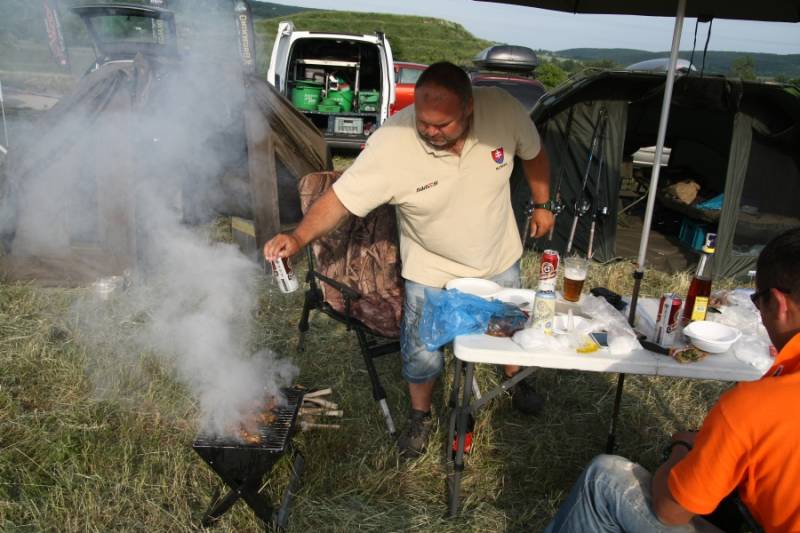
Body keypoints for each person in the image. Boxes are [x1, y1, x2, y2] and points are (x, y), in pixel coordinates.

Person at [263, 62, 554, 457]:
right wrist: (297, 237)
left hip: (498, 257)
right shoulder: (393, 143)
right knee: (421, 350)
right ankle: (420, 417)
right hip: (430, 268)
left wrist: (542, 204)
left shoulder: (502, 111)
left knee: (508, 330)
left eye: (442, 124)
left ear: (468, 107)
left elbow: (534, 154)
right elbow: (339, 200)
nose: (430, 131)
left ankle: (515, 382)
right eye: (423, 121)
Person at [545, 226, 800, 532]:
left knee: (604, 478)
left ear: (779, 304)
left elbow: (671, 511)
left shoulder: (753, 407)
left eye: (757, 302)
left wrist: (682, 446)